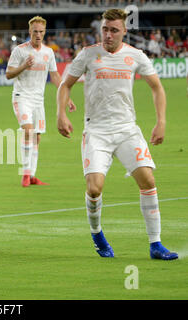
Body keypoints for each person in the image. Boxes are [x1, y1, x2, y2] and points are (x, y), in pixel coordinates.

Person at [57, 8, 178, 260]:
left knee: (148, 181)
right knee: (94, 189)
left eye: (114, 30)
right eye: (105, 29)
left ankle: (155, 244)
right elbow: (65, 84)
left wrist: (161, 121)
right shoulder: (88, 55)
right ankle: (97, 232)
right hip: (96, 132)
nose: (108, 34)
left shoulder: (135, 56)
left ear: (124, 30)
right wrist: (62, 114)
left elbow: (157, 87)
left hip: (127, 130)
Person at [6, 16, 75, 187]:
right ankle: (25, 174)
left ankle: (33, 175)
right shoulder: (20, 51)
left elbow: (55, 76)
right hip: (22, 97)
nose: (38, 34)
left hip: (38, 101)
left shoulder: (48, 52)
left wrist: (66, 98)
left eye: (41, 32)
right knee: (28, 131)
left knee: (37, 137)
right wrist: (23, 66)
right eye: (35, 31)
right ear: (30, 32)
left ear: (45, 32)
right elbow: (8, 74)